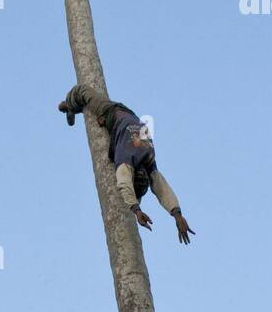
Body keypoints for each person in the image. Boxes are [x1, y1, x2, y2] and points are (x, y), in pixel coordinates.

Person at [58, 84, 195, 245]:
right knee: (81, 91)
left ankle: (77, 108)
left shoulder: (141, 162)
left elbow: (160, 188)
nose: (145, 174)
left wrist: (177, 215)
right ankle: (69, 106)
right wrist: (143, 211)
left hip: (121, 118)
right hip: (110, 111)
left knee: (89, 103)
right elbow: (143, 184)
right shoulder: (139, 160)